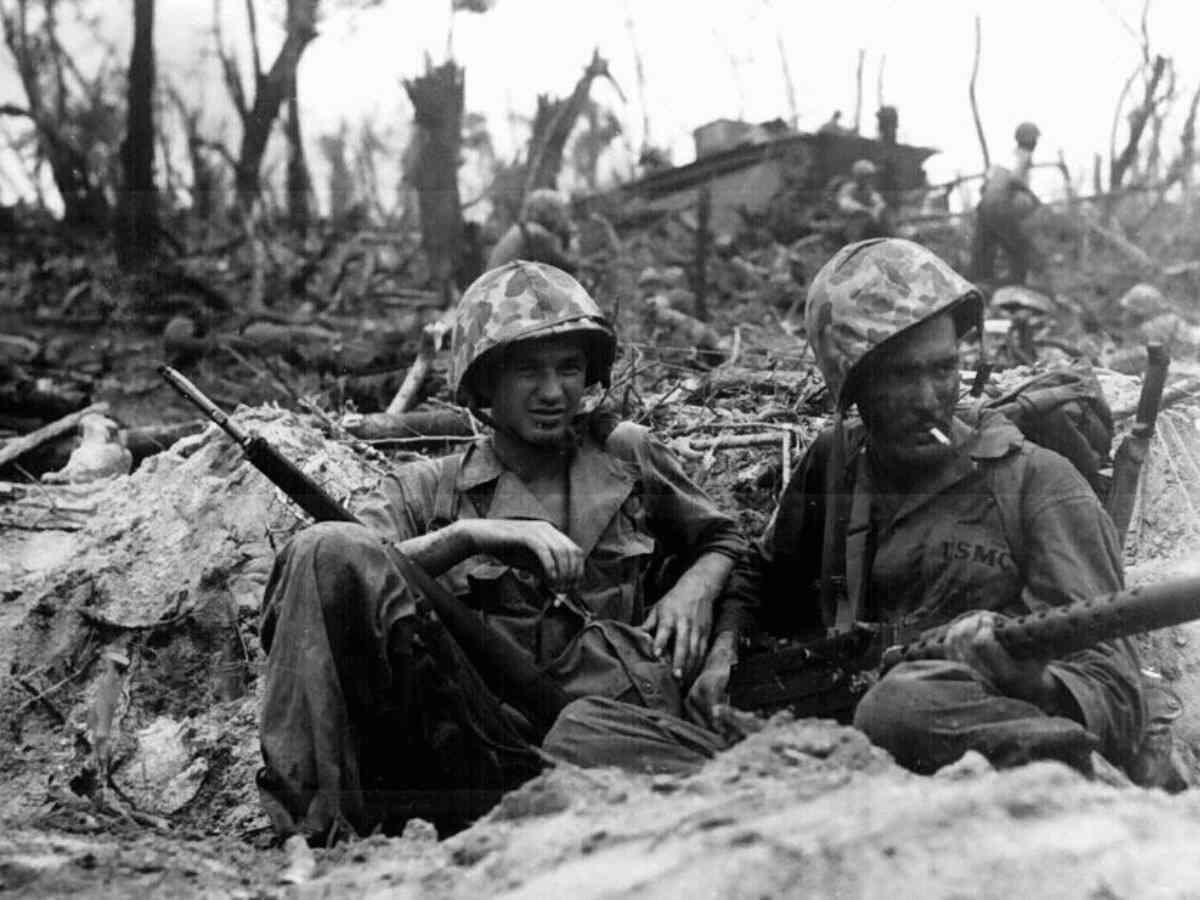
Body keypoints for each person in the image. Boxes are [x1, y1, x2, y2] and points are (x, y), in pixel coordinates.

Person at [257, 260, 746, 842]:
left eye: (569, 368)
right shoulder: (427, 488)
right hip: (470, 745)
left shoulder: (626, 458)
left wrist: (695, 589)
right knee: (324, 544)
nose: (552, 391)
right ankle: (310, 834)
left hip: (605, 732)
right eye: (527, 371)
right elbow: (325, 572)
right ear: (485, 381)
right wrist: (469, 536)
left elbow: (727, 536)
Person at [727, 238, 1144, 777]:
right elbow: (764, 580)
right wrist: (719, 638)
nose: (929, 398)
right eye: (901, 375)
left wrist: (1033, 682)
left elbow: (1120, 695)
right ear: (852, 383)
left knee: (898, 706)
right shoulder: (835, 464)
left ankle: (1068, 781)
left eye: (944, 369)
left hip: (970, 744)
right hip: (826, 745)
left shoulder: (1038, 484)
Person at [971, 121, 1043, 285]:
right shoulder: (1024, 155)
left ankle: (981, 288)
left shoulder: (1003, 158)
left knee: (984, 251)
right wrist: (1031, 196)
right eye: (1035, 140)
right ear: (1031, 141)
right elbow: (1015, 178)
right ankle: (1017, 287)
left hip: (984, 205)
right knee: (1020, 249)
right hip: (999, 206)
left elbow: (983, 186)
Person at [487, 189, 577, 274]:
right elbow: (560, 268)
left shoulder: (521, 230)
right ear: (551, 212)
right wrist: (568, 239)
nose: (563, 216)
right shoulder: (536, 233)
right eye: (560, 211)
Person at [834, 159, 890, 242]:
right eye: (866, 176)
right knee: (858, 225)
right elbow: (845, 204)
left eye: (869, 176)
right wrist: (864, 210)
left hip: (867, 223)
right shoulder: (849, 188)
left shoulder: (868, 190)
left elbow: (878, 201)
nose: (869, 179)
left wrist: (876, 210)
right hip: (848, 223)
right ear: (858, 176)